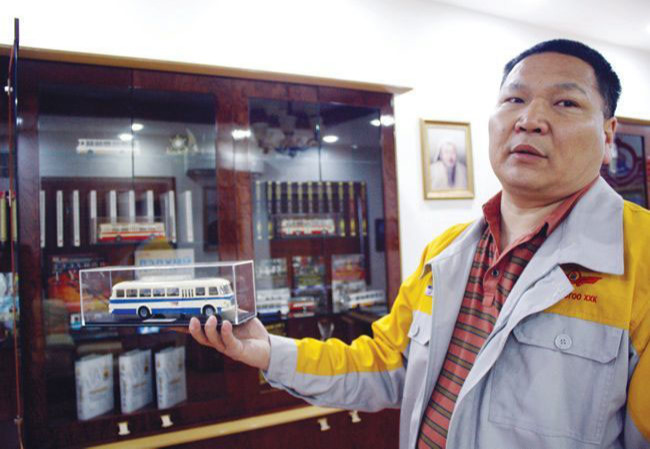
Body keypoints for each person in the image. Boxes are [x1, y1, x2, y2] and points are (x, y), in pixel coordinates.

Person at [188, 39, 650, 449]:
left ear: (608, 134)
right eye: (515, 99)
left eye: (566, 102)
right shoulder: (448, 252)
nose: (530, 120)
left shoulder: (640, 255)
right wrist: (269, 350)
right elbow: (385, 364)